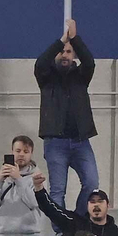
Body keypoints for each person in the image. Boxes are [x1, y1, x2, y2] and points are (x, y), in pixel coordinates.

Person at [34, 18, 97, 210]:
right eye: (62, 51)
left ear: (74, 55)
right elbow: (40, 62)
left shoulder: (81, 76)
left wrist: (75, 38)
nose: (64, 55)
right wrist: (61, 41)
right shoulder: (46, 78)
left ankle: (76, 221)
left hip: (80, 141)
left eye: (69, 52)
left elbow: (90, 61)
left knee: (92, 184)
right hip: (55, 142)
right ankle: (61, 232)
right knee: (57, 190)